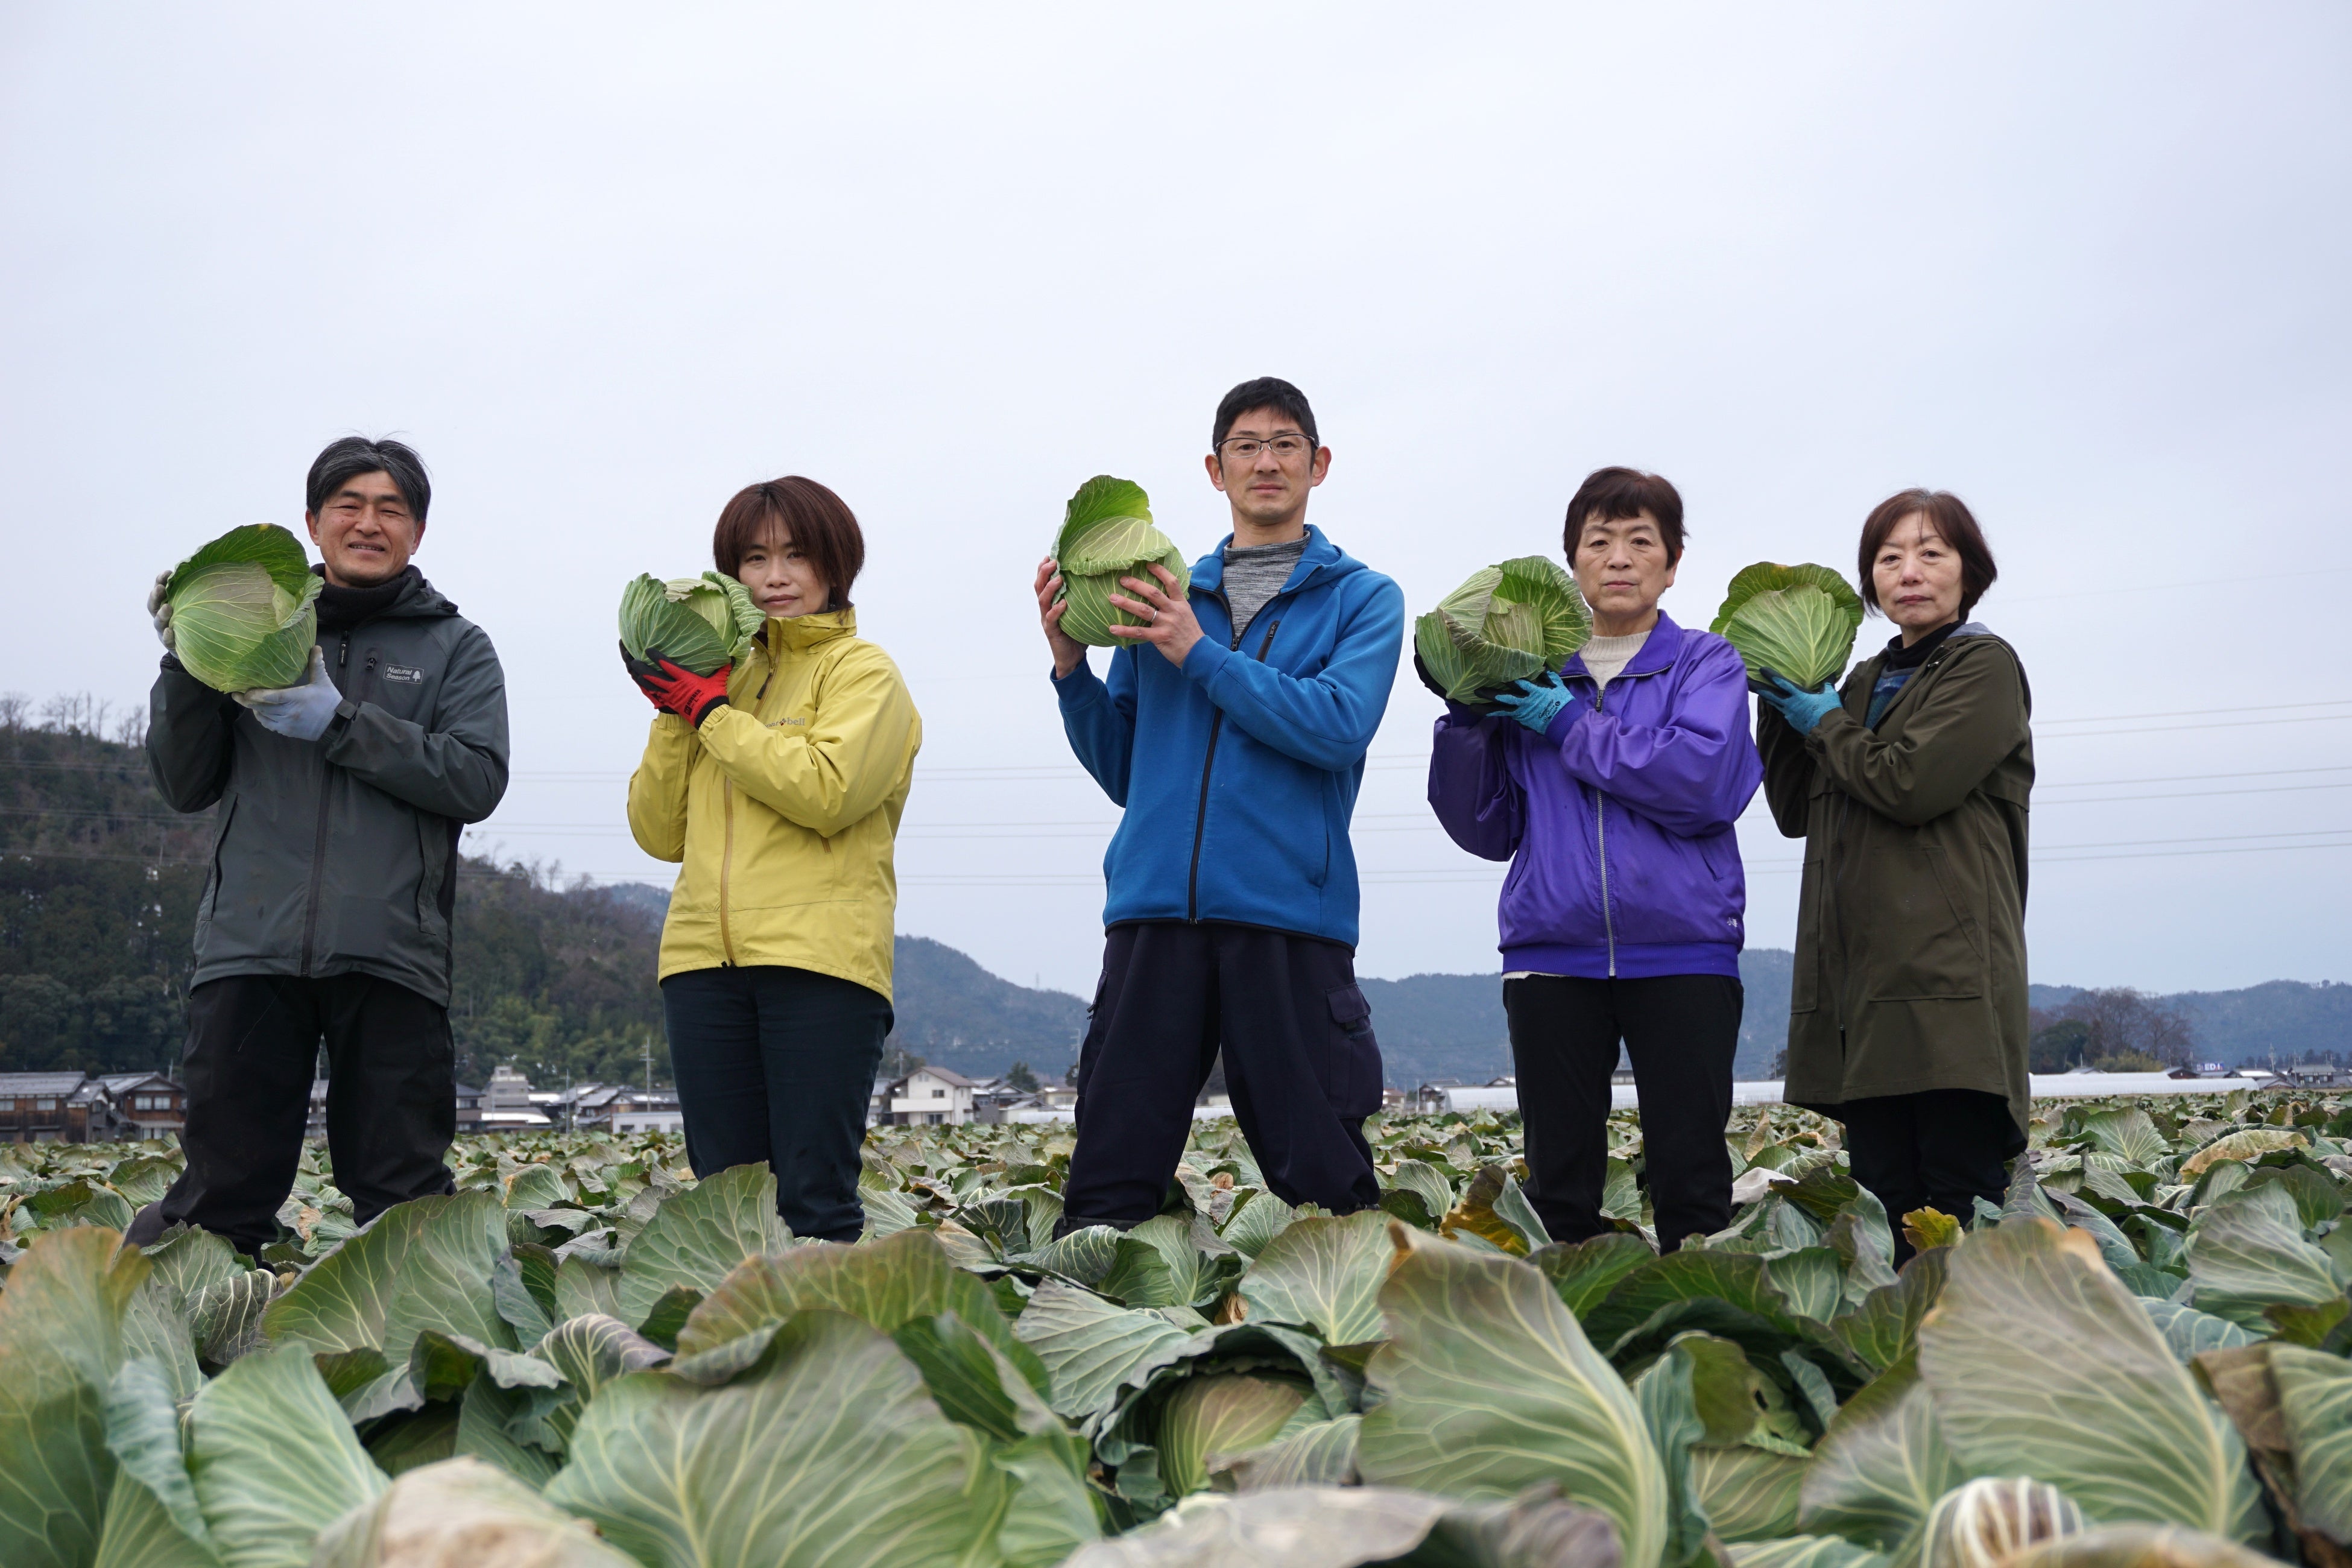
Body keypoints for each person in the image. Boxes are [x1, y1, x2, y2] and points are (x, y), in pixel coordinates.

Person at [1034, 377, 1405, 1231]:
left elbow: (1338, 726)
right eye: (1246, 445)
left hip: (1287, 917)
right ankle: (1084, 1334)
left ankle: (1360, 1337)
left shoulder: (1362, 599)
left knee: (1321, 1168)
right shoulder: (1159, 593)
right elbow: (1128, 769)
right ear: (1215, 468)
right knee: (1111, 1168)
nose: (1265, 462)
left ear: (1319, 464)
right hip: (1152, 912)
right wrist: (1070, 672)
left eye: (1284, 444)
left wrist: (1197, 653)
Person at [129, 437, 510, 1260]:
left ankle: (431, 1363)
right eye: (349, 505)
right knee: (221, 1192)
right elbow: (185, 783)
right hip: (249, 947)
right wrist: (187, 664)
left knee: (401, 1189)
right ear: (313, 522)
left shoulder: (456, 647)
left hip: (391, 954)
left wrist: (342, 724)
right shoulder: (256, 627)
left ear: (417, 533)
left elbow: (476, 779)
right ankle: (182, 1359)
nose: (368, 523)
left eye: (391, 509)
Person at [1427, 468, 1762, 1255]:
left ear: (1673, 563)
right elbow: (1485, 828)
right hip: (1552, 955)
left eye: (1640, 541)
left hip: (1684, 951)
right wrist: (1468, 721)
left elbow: (1704, 786)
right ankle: (1570, 1351)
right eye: (1598, 541)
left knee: (1691, 1176)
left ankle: (1702, 1338)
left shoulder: (1705, 666)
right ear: (1571, 563)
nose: (1619, 558)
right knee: (1560, 1184)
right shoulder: (1530, 672)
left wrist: (1570, 726)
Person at [624, 477, 920, 1242]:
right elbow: (659, 834)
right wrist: (673, 714)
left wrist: (710, 715)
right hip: (699, 963)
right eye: (754, 558)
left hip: (819, 962)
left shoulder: (862, 672)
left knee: (813, 1196)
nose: (775, 576)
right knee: (727, 1202)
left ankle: (829, 1355)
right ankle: (737, 1358)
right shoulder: (721, 681)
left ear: (834, 565)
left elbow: (827, 789)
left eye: (796, 554)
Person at [1755, 488, 2032, 1257]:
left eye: (1931, 553)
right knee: (1886, 1202)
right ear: (1870, 581)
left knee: (1955, 1204)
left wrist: (1824, 720)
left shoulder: (1984, 665)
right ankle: (1900, 1363)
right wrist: (1779, 705)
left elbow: (1911, 785)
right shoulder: (1858, 680)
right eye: (1889, 557)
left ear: (1968, 572)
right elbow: (1793, 808)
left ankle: (1970, 1369)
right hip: (1864, 991)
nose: (1909, 571)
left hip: (1949, 985)